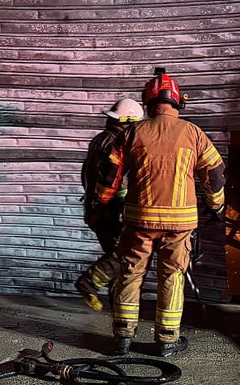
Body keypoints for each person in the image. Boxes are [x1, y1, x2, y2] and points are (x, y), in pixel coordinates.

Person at [95, 70, 225, 357]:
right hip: (180, 225)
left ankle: (123, 338)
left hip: (139, 221)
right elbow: (215, 175)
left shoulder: (131, 133)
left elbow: (109, 178)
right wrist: (217, 205)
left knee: (130, 274)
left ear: (147, 102)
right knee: (172, 276)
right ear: (178, 101)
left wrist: (103, 202)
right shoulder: (194, 134)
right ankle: (167, 340)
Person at [74, 97, 144, 310]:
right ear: (128, 122)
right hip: (112, 209)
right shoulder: (117, 143)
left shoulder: (100, 138)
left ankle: (120, 305)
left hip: (96, 209)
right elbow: (115, 180)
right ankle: (89, 282)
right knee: (128, 252)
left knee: (119, 259)